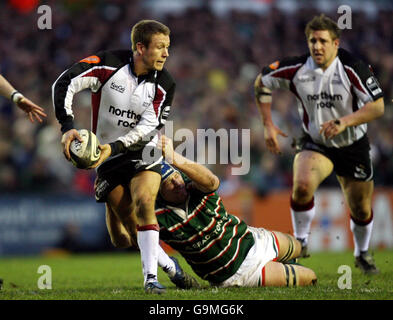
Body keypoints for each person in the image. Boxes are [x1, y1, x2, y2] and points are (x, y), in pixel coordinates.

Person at [52, 20, 177, 293]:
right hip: (107, 159)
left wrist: (115, 147)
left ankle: (151, 280)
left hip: (143, 150)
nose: (166, 54)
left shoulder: (165, 83)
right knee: (124, 238)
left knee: (145, 203)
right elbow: (65, 82)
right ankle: (171, 267)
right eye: (160, 47)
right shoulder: (107, 65)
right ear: (140, 48)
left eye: (168, 47)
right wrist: (68, 126)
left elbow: (148, 128)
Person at [253, 14, 384, 275]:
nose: (317, 46)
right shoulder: (297, 68)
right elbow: (261, 82)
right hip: (316, 142)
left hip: (352, 144)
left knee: (360, 207)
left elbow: (378, 106)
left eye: (323, 41)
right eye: (312, 40)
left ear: (336, 43)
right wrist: (268, 124)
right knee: (301, 186)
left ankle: (362, 253)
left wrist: (345, 122)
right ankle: (300, 244)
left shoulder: (352, 67)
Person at [147, 135, 316, 287]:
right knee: (310, 277)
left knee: (298, 247)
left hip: (250, 238)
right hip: (238, 273)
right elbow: (142, 239)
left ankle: (285, 262)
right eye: (169, 183)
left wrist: (173, 157)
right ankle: (284, 268)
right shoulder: (157, 215)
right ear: (158, 190)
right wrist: (171, 269)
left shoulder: (193, 184)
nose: (177, 183)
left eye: (176, 176)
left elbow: (212, 182)